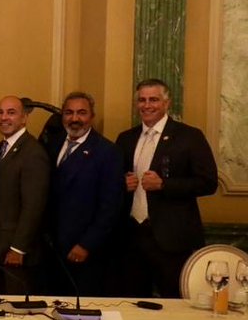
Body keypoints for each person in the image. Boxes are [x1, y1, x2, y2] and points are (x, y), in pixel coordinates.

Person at [115, 78, 218, 298]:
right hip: (131, 237)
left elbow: (209, 182)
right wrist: (121, 184)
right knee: (132, 304)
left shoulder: (189, 136)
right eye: (142, 100)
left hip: (171, 239)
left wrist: (164, 184)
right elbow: (113, 180)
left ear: (166, 103)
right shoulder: (126, 138)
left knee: (174, 305)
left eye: (153, 99)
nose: (147, 105)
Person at [44, 91, 124, 298]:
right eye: (69, 113)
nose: (74, 118)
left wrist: (86, 244)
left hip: (84, 251)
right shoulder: (52, 144)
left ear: (91, 117)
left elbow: (110, 206)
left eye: (81, 113)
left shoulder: (107, 152)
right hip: (52, 248)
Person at [0, 96, 51, 295]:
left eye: (11, 112)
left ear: (24, 118)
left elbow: (34, 206)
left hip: (14, 250)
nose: (4, 117)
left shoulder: (33, 153)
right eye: (0, 112)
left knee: (14, 311)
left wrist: (18, 248)